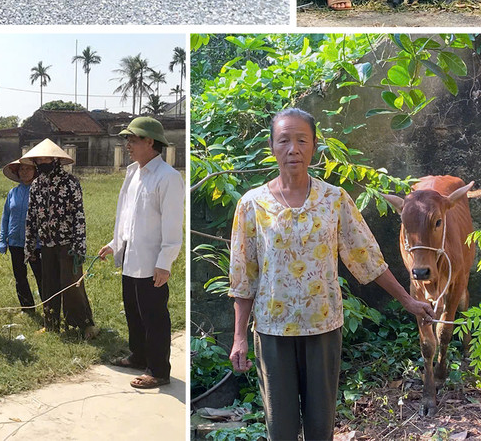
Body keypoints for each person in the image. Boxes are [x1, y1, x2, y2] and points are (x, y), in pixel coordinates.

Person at [228, 108, 434, 441]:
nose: (293, 149)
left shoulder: (334, 200)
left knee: (320, 428)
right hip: (272, 330)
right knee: (279, 427)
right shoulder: (252, 204)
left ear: (314, 147)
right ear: (272, 147)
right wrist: (239, 337)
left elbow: (367, 258)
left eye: (301, 140)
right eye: (284, 141)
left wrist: (409, 301)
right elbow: (243, 274)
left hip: (323, 327)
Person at [99, 117, 184, 389]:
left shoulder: (168, 177)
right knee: (133, 312)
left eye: (133, 140)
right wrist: (115, 244)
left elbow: (172, 225)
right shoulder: (132, 173)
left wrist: (165, 262)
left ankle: (158, 370)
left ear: (150, 141)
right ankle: (138, 356)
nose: (128, 145)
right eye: (127, 140)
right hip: (130, 257)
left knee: (154, 317)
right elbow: (125, 216)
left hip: (151, 262)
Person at [21, 139, 97, 337]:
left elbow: (79, 216)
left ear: (55, 159)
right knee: (49, 284)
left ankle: (84, 324)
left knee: (72, 284)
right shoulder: (36, 185)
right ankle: (51, 323)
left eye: (45, 158)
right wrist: (29, 246)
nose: (41, 162)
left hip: (68, 243)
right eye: (38, 159)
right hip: (46, 244)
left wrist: (80, 246)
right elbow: (31, 217)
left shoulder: (70, 183)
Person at [0, 156, 43, 311]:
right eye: (22, 169)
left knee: (41, 277)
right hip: (15, 243)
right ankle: (27, 307)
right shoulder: (13, 193)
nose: (24, 172)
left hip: (36, 244)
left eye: (28, 169)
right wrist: (3, 240)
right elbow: (6, 216)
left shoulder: (40, 191)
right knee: (20, 277)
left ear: (35, 171)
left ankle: (48, 308)